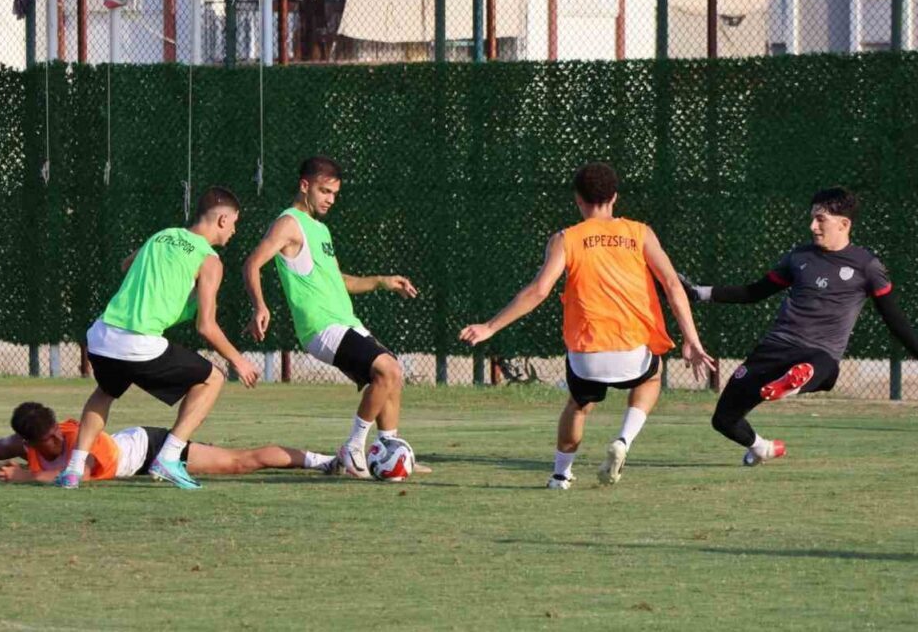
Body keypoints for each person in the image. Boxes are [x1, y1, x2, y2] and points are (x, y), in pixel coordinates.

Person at [459, 162, 714, 489]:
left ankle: (560, 475)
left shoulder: (566, 239)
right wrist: (691, 339)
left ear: (578, 199)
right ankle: (623, 440)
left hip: (587, 356)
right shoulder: (640, 233)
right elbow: (673, 285)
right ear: (615, 197)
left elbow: (539, 290)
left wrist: (490, 327)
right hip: (633, 353)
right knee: (651, 377)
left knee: (579, 406)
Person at [680, 187, 918, 466]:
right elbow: (754, 292)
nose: (812, 226)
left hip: (820, 354)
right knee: (723, 419)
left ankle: (793, 381)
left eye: (820, 219)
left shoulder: (867, 266)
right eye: (812, 219)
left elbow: (894, 319)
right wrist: (698, 293)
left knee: (820, 368)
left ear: (844, 224)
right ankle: (762, 448)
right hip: (775, 348)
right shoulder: (799, 257)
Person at [60, 187, 261, 491]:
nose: (234, 230)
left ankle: (73, 471)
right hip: (138, 343)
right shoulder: (210, 261)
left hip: (101, 336)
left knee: (105, 391)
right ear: (222, 219)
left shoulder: (161, 235)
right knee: (213, 379)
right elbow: (206, 326)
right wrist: (239, 360)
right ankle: (168, 458)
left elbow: (126, 266)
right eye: (234, 222)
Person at [242, 157, 421, 478]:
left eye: (335, 194)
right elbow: (252, 263)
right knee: (388, 368)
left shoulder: (320, 229)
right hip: (321, 326)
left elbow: (341, 281)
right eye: (324, 191)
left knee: (391, 374)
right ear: (304, 186)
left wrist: (382, 281)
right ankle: (353, 449)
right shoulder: (289, 223)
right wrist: (260, 306)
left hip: (344, 322)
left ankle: (389, 453)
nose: (330, 199)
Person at [0, 402, 339, 484]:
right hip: (135, 454)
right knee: (236, 461)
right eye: (49, 438)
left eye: (57, 431)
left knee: (240, 462)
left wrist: (21, 478)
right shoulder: (25, 443)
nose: (57, 437)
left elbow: (75, 476)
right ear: (30, 441)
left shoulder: (73, 438)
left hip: (149, 447)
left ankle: (325, 461)